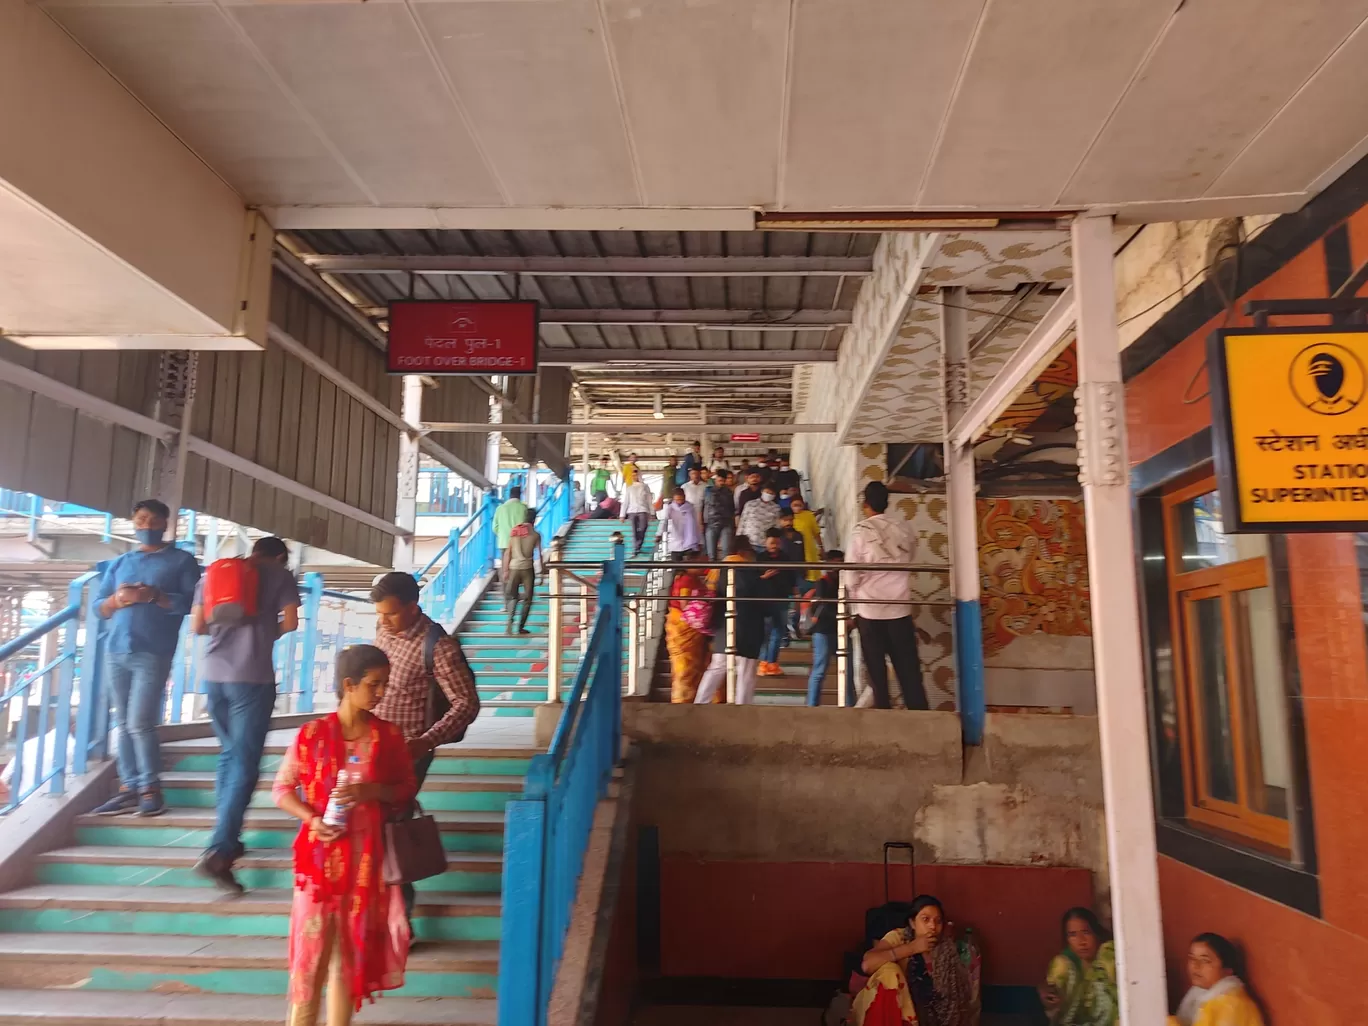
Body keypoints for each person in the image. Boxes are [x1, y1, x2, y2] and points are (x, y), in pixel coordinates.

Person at [273, 645, 417, 1025]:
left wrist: (372, 791)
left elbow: (405, 787)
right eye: (375, 684)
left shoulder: (387, 736)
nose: (382, 692)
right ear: (348, 685)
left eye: (385, 683)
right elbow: (282, 790)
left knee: (347, 958)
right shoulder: (311, 735)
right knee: (310, 958)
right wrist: (311, 818)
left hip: (364, 864)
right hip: (318, 862)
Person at [188, 536, 300, 893]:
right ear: (281, 556)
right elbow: (292, 622)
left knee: (229, 756)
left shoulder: (214, 574)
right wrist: (267, 633)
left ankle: (227, 836)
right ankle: (220, 849)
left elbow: (197, 627)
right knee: (244, 764)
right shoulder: (280, 575)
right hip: (252, 678)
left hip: (214, 676)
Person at [369, 572, 480, 923]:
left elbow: (466, 703)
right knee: (371, 825)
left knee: (391, 826)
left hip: (407, 753)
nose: (383, 622)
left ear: (413, 606)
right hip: (370, 745)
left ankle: (400, 917)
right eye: (379, 614)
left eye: (390, 613)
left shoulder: (439, 647)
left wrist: (426, 742)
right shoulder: (383, 632)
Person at [91, 499, 202, 818]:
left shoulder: (181, 561)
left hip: (153, 650)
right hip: (117, 649)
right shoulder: (122, 561)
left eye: (154, 521)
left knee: (140, 722)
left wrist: (154, 596)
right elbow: (100, 607)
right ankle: (128, 787)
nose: (147, 526)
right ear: (133, 523)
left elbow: (191, 604)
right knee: (123, 722)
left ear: (166, 524)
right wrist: (117, 599)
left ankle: (151, 788)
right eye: (141, 520)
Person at [846, 481, 927, 710]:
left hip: (870, 611)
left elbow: (852, 575)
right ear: (886, 503)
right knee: (909, 671)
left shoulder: (861, 531)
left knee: (877, 672)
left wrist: (855, 598)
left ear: (865, 504)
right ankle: (921, 717)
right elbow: (910, 556)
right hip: (900, 608)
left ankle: (883, 718)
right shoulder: (904, 528)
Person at [854, 894, 974, 1026]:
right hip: (894, 1012)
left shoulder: (946, 949)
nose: (932, 926)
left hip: (931, 1018)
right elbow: (867, 964)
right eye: (925, 919)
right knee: (890, 972)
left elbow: (957, 1001)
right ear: (912, 922)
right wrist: (911, 948)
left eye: (938, 921)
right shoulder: (900, 937)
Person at [693, 536, 765, 705]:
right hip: (746, 628)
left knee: (717, 667)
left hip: (723, 627)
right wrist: (762, 580)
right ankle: (742, 709)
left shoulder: (719, 569)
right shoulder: (745, 570)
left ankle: (700, 703)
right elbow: (753, 595)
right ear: (742, 552)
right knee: (745, 671)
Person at [1041, 907, 1118, 1026]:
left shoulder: (1108, 954)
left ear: (1096, 933)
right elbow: (1051, 991)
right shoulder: (1065, 964)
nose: (1081, 941)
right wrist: (1047, 995)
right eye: (1073, 935)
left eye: (1086, 932)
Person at [1168, 934, 1264, 1026]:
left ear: (1227, 970)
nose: (1195, 966)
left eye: (1205, 961)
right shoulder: (1198, 995)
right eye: (1192, 958)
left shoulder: (1232, 1004)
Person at [665, 554, 712, 703]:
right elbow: (686, 606)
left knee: (693, 666)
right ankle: (681, 701)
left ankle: (690, 699)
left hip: (691, 629)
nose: (705, 567)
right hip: (682, 628)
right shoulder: (686, 581)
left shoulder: (693, 580)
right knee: (684, 667)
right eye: (702, 563)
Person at [803, 551, 842, 706]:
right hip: (823, 630)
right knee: (819, 670)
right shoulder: (822, 582)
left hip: (839, 630)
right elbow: (823, 606)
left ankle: (848, 704)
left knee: (847, 670)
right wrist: (843, 619)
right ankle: (812, 706)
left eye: (841, 562)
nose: (839, 566)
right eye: (836, 562)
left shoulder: (843, 582)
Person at [756, 528, 796, 678]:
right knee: (765, 633)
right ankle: (763, 663)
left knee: (778, 632)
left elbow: (792, 577)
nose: (774, 545)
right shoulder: (760, 558)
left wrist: (794, 593)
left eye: (777, 543)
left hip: (782, 599)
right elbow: (753, 579)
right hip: (764, 600)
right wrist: (764, 577)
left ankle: (772, 663)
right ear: (765, 542)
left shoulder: (785, 558)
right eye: (772, 542)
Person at [502, 507, 542, 636]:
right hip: (528, 569)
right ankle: (521, 627)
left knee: (513, 596)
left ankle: (509, 622)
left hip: (514, 568)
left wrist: (505, 570)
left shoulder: (515, 532)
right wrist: (541, 571)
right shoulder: (536, 535)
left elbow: (508, 552)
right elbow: (539, 555)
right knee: (528, 599)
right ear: (534, 519)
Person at [492, 486, 527, 581]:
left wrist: (503, 534)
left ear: (510, 495)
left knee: (505, 568)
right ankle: (515, 589)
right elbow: (527, 525)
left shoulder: (500, 508)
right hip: (519, 543)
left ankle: (505, 588)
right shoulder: (524, 508)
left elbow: (495, 527)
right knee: (517, 567)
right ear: (520, 495)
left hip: (504, 542)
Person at [704, 469, 737, 560]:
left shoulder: (729, 492)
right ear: (716, 479)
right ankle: (713, 573)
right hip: (711, 523)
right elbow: (703, 507)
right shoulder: (708, 491)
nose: (721, 483)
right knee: (711, 554)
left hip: (726, 523)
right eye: (719, 480)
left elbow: (732, 508)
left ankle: (724, 573)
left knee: (726, 552)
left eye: (723, 480)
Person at [789, 495, 823, 582]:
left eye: (799, 505)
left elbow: (816, 533)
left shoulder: (808, 515)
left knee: (813, 573)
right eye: (794, 505)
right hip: (794, 550)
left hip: (809, 549)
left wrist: (821, 547)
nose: (797, 507)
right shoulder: (789, 518)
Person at [738, 483, 781, 550]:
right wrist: (739, 537)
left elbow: (777, 526)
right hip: (748, 542)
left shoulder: (776, 508)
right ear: (762, 491)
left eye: (771, 493)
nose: (769, 494)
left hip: (764, 544)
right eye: (767, 492)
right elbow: (743, 521)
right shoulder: (750, 504)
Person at [665, 487, 701, 561]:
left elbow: (696, 525)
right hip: (675, 539)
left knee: (689, 566)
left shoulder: (691, 508)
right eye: (677, 500)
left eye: (681, 499)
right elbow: (664, 521)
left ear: (684, 497)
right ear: (674, 499)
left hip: (690, 541)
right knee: (676, 566)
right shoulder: (670, 508)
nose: (679, 502)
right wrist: (659, 533)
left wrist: (698, 540)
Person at [622, 473, 654, 556]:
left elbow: (649, 500)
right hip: (632, 511)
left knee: (643, 527)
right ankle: (636, 548)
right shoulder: (629, 488)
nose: (634, 477)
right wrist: (622, 514)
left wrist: (652, 513)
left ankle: (638, 544)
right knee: (634, 530)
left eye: (636, 475)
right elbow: (626, 501)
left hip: (643, 510)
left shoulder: (645, 487)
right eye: (632, 476)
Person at [683, 466, 708, 530]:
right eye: (693, 474)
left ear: (700, 474)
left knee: (700, 533)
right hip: (688, 512)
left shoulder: (705, 486)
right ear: (689, 475)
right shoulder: (685, 486)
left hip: (701, 512)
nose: (695, 475)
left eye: (697, 473)